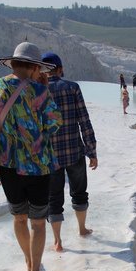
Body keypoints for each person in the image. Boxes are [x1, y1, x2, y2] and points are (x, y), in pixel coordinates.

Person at [0, 41, 62, 271]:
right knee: (38, 222)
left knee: (19, 217)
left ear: (14, 63)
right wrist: (44, 91)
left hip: (7, 165)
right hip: (37, 166)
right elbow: (54, 124)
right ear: (33, 68)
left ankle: (29, 261)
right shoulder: (39, 91)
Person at [41, 52, 98, 244]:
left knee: (53, 198)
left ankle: (57, 241)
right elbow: (84, 120)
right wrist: (92, 151)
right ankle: (81, 229)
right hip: (74, 152)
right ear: (60, 69)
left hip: (50, 156)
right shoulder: (72, 88)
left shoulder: (38, 91)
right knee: (79, 191)